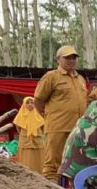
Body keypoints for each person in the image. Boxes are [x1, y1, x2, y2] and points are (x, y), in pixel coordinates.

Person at [34, 45, 88, 181]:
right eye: (67, 57)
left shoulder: (80, 79)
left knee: (75, 163)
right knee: (53, 164)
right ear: (58, 59)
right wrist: (48, 118)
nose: (72, 60)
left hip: (78, 129)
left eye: (74, 57)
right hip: (57, 128)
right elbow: (38, 100)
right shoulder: (51, 77)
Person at [13, 97, 45, 173]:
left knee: (38, 156)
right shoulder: (20, 115)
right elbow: (18, 127)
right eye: (27, 103)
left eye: (32, 102)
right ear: (24, 104)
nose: (30, 104)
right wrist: (24, 134)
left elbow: (43, 126)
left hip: (37, 140)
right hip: (25, 140)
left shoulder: (38, 115)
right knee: (26, 157)